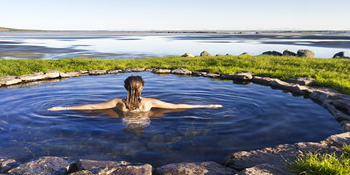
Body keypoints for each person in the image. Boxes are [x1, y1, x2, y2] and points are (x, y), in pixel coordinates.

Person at [47, 75, 222, 112]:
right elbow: (176, 106)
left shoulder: (118, 102)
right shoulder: (149, 102)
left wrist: (64, 107)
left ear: (125, 88)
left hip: (125, 126)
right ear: (142, 88)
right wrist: (206, 105)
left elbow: (92, 106)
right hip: (143, 127)